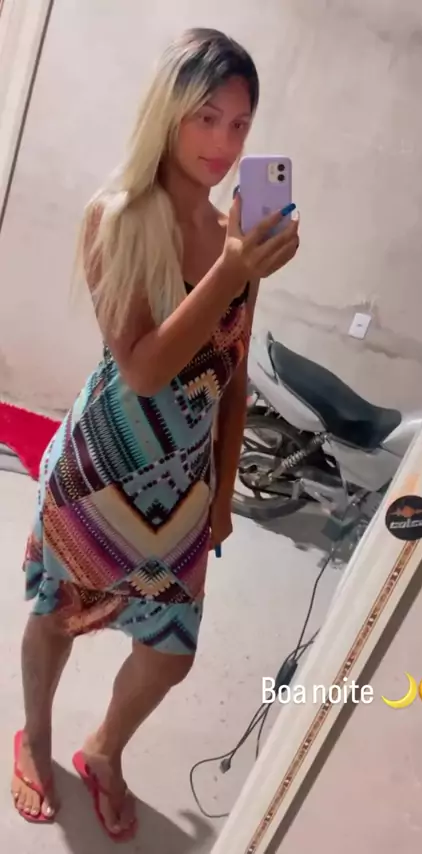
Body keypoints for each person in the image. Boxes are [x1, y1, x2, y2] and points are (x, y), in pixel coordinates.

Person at [10, 27, 300, 841]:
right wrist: (232, 268)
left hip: (183, 494)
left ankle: (103, 750)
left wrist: (224, 494)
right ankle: (34, 737)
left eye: (240, 125)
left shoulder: (233, 233)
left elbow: (233, 375)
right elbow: (141, 368)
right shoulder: (118, 217)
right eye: (207, 118)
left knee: (171, 652)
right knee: (57, 615)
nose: (224, 143)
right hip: (98, 476)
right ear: (168, 113)